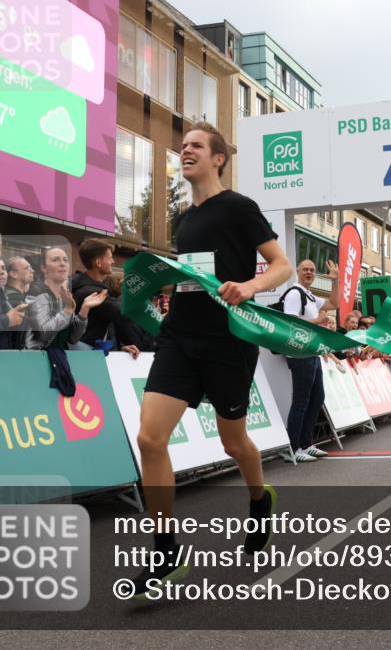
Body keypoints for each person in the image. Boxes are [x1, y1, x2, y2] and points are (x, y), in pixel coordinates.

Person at [131, 122, 292, 600]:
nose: (186, 152)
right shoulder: (183, 219)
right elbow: (190, 276)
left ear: (218, 158)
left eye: (196, 146)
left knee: (233, 441)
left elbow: (280, 265)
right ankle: (165, 550)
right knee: (149, 437)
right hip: (180, 336)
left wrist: (249, 287)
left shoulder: (239, 208)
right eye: (182, 147)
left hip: (227, 340)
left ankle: (260, 501)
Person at [281, 258, 341, 464]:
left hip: (312, 353)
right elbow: (290, 321)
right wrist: (319, 320)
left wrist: (336, 281)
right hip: (299, 354)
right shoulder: (294, 293)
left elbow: (334, 304)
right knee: (301, 401)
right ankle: (293, 446)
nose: (309, 272)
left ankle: (306, 444)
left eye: (312, 270)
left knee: (317, 398)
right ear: (297, 271)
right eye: (305, 269)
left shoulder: (309, 295)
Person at [24, 247, 107, 350]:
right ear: (43, 268)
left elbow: (73, 338)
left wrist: (84, 310)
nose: (62, 263)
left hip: (58, 357)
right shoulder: (37, 294)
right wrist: (67, 310)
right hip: (36, 359)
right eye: (55, 260)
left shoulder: (63, 295)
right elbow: (42, 335)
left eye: (65, 260)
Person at [72, 238, 141, 358]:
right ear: (98, 263)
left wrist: (119, 349)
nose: (113, 261)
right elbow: (125, 315)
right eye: (109, 258)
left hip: (85, 352)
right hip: (84, 357)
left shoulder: (83, 286)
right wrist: (129, 291)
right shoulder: (93, 292)